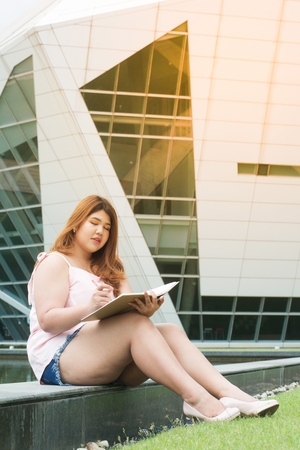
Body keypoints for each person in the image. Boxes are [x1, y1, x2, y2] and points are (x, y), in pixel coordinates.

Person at [27, 195, 279, 422]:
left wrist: (143, 311)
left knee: (168, 330)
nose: (100, 232)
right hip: (59, 358)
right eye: (93, 223)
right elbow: (48, 320)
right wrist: (90, 306)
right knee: (136, 325)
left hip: (107, 359)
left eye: (106, 228)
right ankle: (197, 400)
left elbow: (125, 314)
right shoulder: (55, 262)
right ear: (76, 223)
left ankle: (232, 395)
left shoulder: (111, 267)